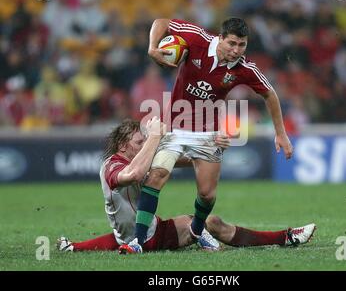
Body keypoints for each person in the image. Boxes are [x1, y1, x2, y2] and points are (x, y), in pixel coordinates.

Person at [127, 18, 294, 253]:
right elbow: (161, 21)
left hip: (209, 134)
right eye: (232, 43)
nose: (236, 50)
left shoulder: (245, 69)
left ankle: (196, 231)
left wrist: (281, 134)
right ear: (220, 38)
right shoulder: (196, 38)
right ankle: (138, 240)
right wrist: (153, 48)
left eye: (242, 45)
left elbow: (270, 94)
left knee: (206, 194)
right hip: (173, 126)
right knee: (157, 175)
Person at [57, 118, 316, 253]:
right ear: (123, 146)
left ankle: (200, 233)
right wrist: (156, 136)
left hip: (146, 230)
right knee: (213, 223)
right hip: (149, 238)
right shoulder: (112, 166)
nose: (144, 145)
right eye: (139, 142)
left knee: (132, 234)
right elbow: (134, 175)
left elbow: (181, 160)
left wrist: (210, 148)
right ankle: (286, 237)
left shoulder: (134, 159)